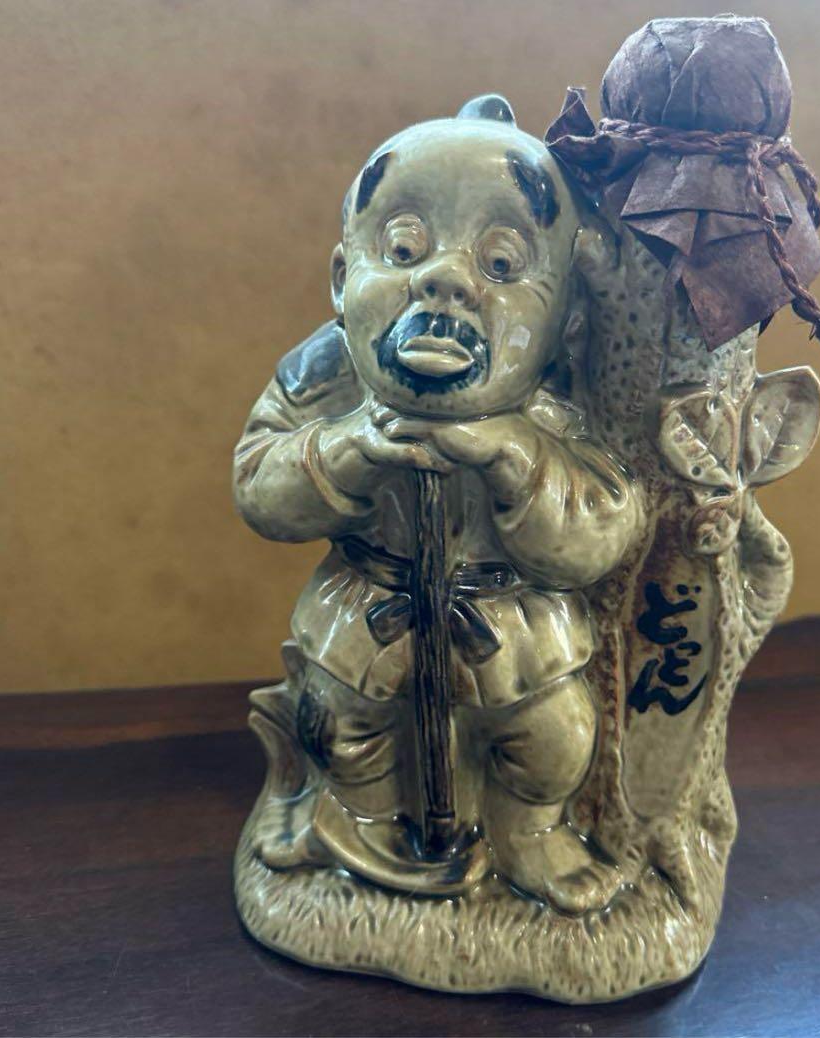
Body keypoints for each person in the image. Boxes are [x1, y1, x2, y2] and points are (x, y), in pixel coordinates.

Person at [233, 96, 645, 914]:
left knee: (554, 738)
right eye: (403, 248)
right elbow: (257, 481)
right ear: (342, 280)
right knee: (340, 724)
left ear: (565, 317)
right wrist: (345, 451)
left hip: (509, 620)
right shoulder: (327, 374)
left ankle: (529, 835)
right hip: (370, 604)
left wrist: (518, 459)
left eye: (502, 265)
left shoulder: (557, 405)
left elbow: (602, 529)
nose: (445, 279)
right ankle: (358, 819)